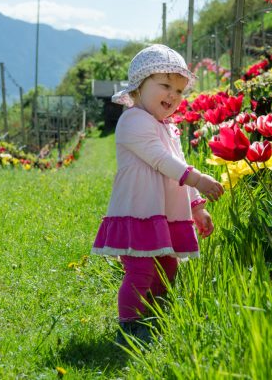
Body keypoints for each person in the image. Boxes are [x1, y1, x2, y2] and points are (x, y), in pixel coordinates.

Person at [91, 44, 224, 343]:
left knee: (167, 264)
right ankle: (130, 323)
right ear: (139, 86)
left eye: (179, 90)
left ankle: (157, 312)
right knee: (140, 269)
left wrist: (196, 208)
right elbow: (161, 161)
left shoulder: (168, 127)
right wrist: (199, 178)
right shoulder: (133, 120)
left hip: (163, 212)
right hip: (139, 210)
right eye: (165, 86)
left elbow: (178, 169)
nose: (173, 96)